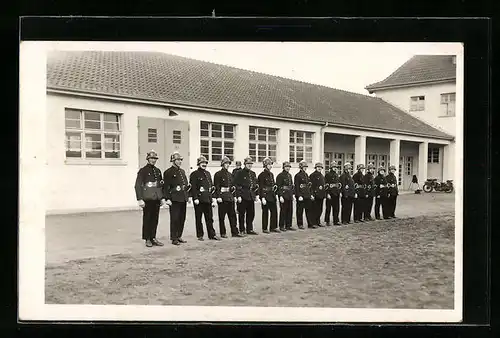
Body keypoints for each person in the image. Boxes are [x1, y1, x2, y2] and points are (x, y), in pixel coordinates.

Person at [134, 150, 167, 247]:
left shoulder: (157, 171)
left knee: (155, 219)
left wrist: (161, 198)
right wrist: (140, 199)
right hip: (147, 198)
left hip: (156, 198)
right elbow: (138, 185)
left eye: (155, 158)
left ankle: (153, 237)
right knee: (147, 219)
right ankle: (147, 238)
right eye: (151, 158)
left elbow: (160, 186)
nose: (153, 160)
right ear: (148, 159)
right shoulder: (143, 171)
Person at [190, 156, 220, 241]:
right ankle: (200, 235)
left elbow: (211, 186)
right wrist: (195, 198)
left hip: (207, 198)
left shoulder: (208, 173)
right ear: (198, 164)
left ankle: (212, 234)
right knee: (199, 218)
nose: (204, 164)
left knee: (209, 218)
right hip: (199, 199)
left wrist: (212, 198)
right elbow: (194, 187)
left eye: (205, 163)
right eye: (202, 163)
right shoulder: (194, 174)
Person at [163, 151, 190, 245]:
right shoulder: (168, 172)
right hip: (174, 198)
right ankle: (174, 238)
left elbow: (185, 184)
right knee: (175, 218)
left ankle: (179, 236)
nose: (179, 162)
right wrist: (167, 198)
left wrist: (187, 196)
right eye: (177, 160)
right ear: (173, 161)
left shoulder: (182, 171)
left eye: (180, 160)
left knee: (182, 218)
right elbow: (166, 187)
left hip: (183, 197)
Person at [214, 156, 243, 238]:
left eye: (228, 163)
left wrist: (234, 196)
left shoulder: (230, 175)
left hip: (230, 197)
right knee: (222, 216)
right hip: (222, 197)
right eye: (226, 163)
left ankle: (234, 232)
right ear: (222, 164)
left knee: (232, 215)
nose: (227, 165)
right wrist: (218, 196)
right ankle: (223, 233)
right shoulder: (218, 174)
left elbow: (233, 186)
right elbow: (217, 186)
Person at [234, 157, 259, 235]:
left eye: (250, 164)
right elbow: (236, 185)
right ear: (245, 164)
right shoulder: (240, 173)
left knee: (251, 213)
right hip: (243, 195)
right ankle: (242, 229)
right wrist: (238, 196)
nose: (249, 165)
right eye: (248, 164)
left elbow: (255, 185)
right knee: (241, 214)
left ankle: (249, 229)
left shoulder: (253, 173)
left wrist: (256, 195)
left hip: (251, 195)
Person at [258, 157, 279, 233]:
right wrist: (262, 197)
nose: (270, 166)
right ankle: (265, 228)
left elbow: (273, 184)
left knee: (274, 212)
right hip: (265, 195)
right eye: (269, 164)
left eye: (271, 164)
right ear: (265, 165)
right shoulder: (261, 175)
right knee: (265, 212)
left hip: (272, 195)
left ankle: (273, 227)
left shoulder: (271, 174)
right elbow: (261, 187)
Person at [294, 160, 314, 229]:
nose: (305, 168)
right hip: (301, 196)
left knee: (309, 210)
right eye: (304, 166)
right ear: (301, 167)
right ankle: (300, 224)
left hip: (307, 195)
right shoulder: (297, 176)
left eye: (306, 166)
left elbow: (309, 186)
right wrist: (299, 195)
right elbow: (296, 187)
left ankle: (310, 223)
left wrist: (311, 194)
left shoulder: (306, 175)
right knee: (300, 211)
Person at [276, 161, 295, 231]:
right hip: (283, 195)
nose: (288, 168)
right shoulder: (280, 175)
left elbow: (291, 186)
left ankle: (288, 225)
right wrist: (280, 196)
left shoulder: (289, 175)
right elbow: (279, 187)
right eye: (286, 167)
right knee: (283, 211)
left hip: (289, 194)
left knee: (290, 211)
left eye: (289, 167)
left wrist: (292, 194)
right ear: (283, 167)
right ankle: (281, 225)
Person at [324, 161, 341, 226]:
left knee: (336, 208)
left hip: (336, 193)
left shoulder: (337, 175)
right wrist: (327, 194)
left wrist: (339, 192)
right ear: (331, 167)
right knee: (328, 208)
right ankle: (327, 221)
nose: (335, 168)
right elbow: (326, 185)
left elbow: (338, 184)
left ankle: (336, 220)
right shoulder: (327, 175)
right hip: (330, 194)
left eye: (336, 167)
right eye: (334, 167)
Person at [309, 162, 326, 227]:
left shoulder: (322, 176)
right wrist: (312, 194)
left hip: (321, 195)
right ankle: (313, 223)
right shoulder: (312, 175)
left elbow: (323, 186)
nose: (319, 168)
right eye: (318, 167)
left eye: (320, 167)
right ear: (315, 168)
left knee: (320, 209)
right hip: (315, 195)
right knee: (314, 209)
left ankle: (318, 221)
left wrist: (324, 194)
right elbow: (310, 186)